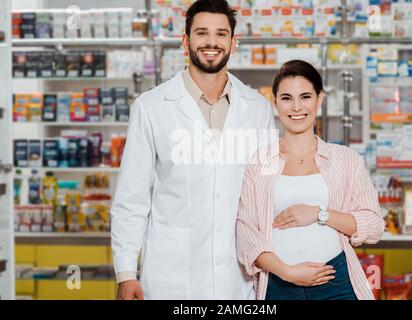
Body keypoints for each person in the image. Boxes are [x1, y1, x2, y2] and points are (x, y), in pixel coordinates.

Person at [111, 0, 275, 300]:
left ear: (233, 42)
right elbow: (131, 200)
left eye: (221, 34)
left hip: (237, 278)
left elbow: (266, 195)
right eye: (202, 33)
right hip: (170, 276)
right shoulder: (150, 108)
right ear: (185, 41)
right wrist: (125, 273)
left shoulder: (258, 109)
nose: (211, 42)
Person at [236, 60, 385, 300]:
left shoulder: (346, 160)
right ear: (275, 104)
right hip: (278, 284)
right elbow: (246, 233)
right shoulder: (260, 162)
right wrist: (287, 272)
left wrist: (319, 213)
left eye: (305, 97)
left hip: (336, 284)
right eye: (286, 98)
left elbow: (374, 225)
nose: (296, 107)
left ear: (320, 99)